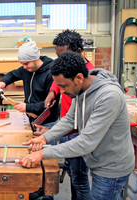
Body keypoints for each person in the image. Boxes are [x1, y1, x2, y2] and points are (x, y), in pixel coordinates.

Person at [22, 52, 135, 200]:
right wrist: (44, 138)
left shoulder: (109, 96)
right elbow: (69, 120)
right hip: (98, 160)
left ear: (79, 78)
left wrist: (43, 154)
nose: (61, 91)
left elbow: (86, 142)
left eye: (63, 86)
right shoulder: (80, 90)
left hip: (112, 166)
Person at [35, 30, 94, 200]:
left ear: (77, 52)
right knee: (74, 176)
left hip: (79, 133)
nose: (60, 60)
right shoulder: (67, 70)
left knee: (80, 180)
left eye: (63, 56)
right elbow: (57, 79)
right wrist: (52, 92)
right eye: (57, 56)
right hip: (67, 128)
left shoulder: (88, 75)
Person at [0, 41, 60, 132]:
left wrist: (27, 107)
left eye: (26, 63)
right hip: (32, 119)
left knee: (49, 146)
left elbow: (51, 105)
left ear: (35, 59)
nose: (24, 67)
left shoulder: (51, 73)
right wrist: (3, 83)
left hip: (48, 123)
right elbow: (13, 74)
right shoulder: (27, 69)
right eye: (22, 64)